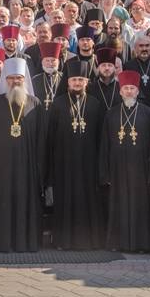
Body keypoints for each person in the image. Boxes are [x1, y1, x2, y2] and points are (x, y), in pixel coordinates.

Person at [0, 57, 46, 252]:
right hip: (2, 168)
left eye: (19, 78)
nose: (15, 81)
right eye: (11, 78)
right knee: (3, 203)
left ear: (24, 79)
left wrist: (40, 170)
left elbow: (41, 140)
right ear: (5, 80)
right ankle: (2, 243)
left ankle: (26, 243)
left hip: (28, 168)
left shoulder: (35, 103)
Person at [46, 72, 106, 250]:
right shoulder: (58, 104)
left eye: (81, 80)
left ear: (86, 82)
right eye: (74, 80)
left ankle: (89, 242)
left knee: (88, 201)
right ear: (68, 83)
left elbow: (101, 137)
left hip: (89, 164)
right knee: (65, 200)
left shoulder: (95, 104)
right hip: (63, 164)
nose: (77, 83)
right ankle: (63, 242)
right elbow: (50, 137)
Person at [99, 71, 150, 253]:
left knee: (140, 205)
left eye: (132, 88)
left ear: (138, 91)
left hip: (141, 169)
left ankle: (141, 244)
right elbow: (104, 145)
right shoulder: (111, 114)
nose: (129, 92)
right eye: (126, 88)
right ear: (120, 91)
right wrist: (105, 172)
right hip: (117, 170)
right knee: (119, 205)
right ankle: (118, 243)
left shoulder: (148, 113)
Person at [90, 47, 120, 111]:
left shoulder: (122, 88)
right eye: (103, 65)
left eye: (110, 65)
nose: (107, 68)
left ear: (114, 68)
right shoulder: (90, 89)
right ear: (98, 68)